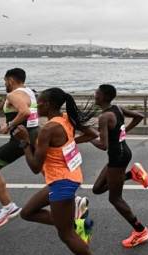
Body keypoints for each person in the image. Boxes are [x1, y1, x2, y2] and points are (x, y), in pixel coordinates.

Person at [14, 88, 98, 255]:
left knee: (67, 235)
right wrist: (69, 143)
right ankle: (71, 220)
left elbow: (35, 167)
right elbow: (92, 134)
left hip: (62, 183)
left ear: (47, 104)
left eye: (38, 102)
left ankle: (70, 223)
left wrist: (24, 143)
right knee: (27, 212)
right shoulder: (66, 118)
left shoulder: (48, 129)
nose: (36, 105)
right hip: (66, 177)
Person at [89, 84, 148, 248]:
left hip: (118, 157)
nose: (95, 95)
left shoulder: (104, 117)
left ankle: (141, 230)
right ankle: (132, 174)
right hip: (121, 154)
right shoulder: (117, 108)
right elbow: (139, 116)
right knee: (97, 189)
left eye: (97, 93)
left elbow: (103, 145)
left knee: (115, 198)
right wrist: (123, 132)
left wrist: (87, 137)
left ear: (103, 96)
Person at [0, 68, 40, 228]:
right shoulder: (28, 92)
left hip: (18, 142)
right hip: (33, 138)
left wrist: (9, 125)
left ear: (11, 80)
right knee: (48, 172)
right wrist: (7, 105)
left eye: (5, 81)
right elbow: (10, 109)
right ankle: (73, 200)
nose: (4, 84)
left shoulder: (14, 94)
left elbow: (25, 111)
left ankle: (9, 207)